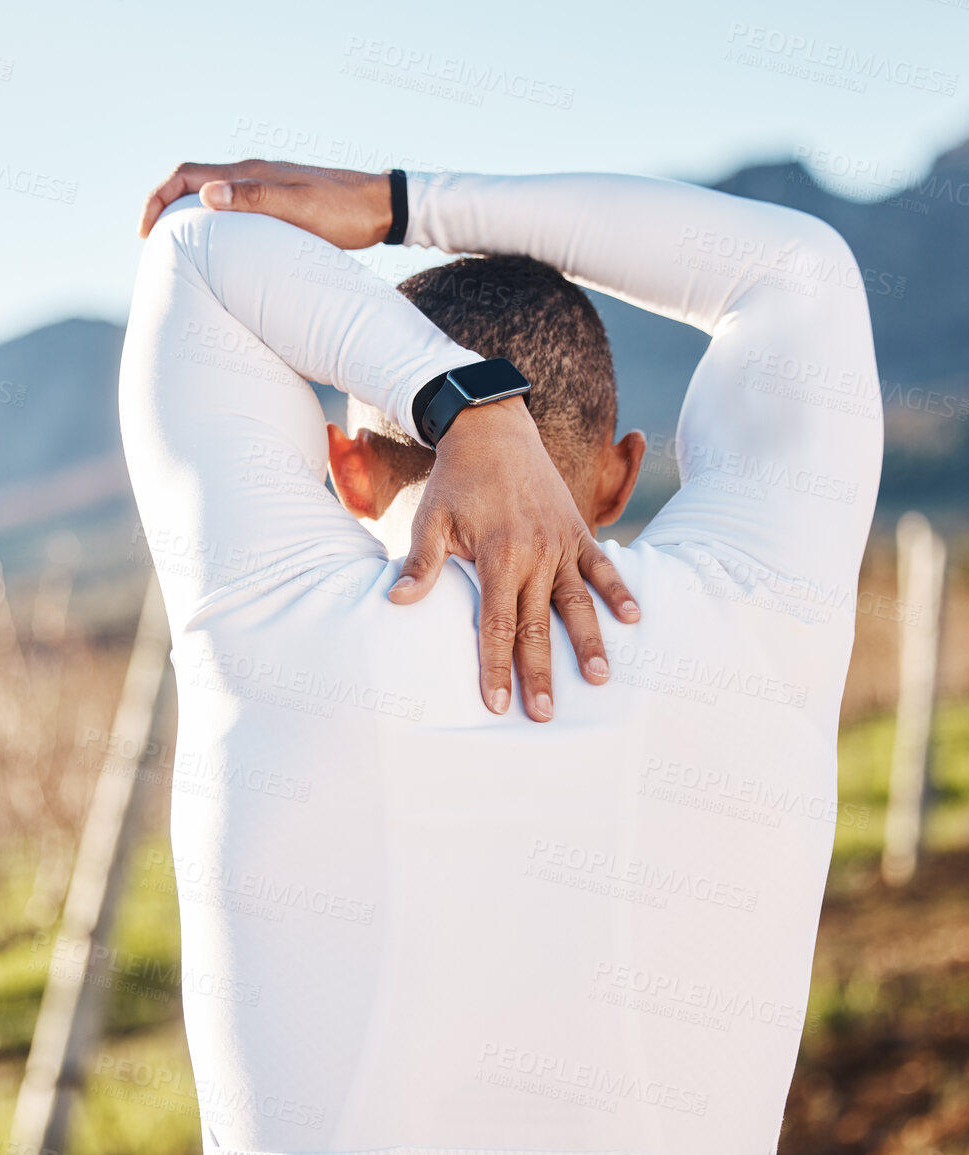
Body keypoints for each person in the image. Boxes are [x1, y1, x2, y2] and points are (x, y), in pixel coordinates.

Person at [122, 159, 881, 1154]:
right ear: (618, 476)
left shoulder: (271, 622)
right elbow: (797, 265)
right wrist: (404, 204)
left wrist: (466, 407)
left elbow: (196, 242)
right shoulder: (762, 620)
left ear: (345, 469)